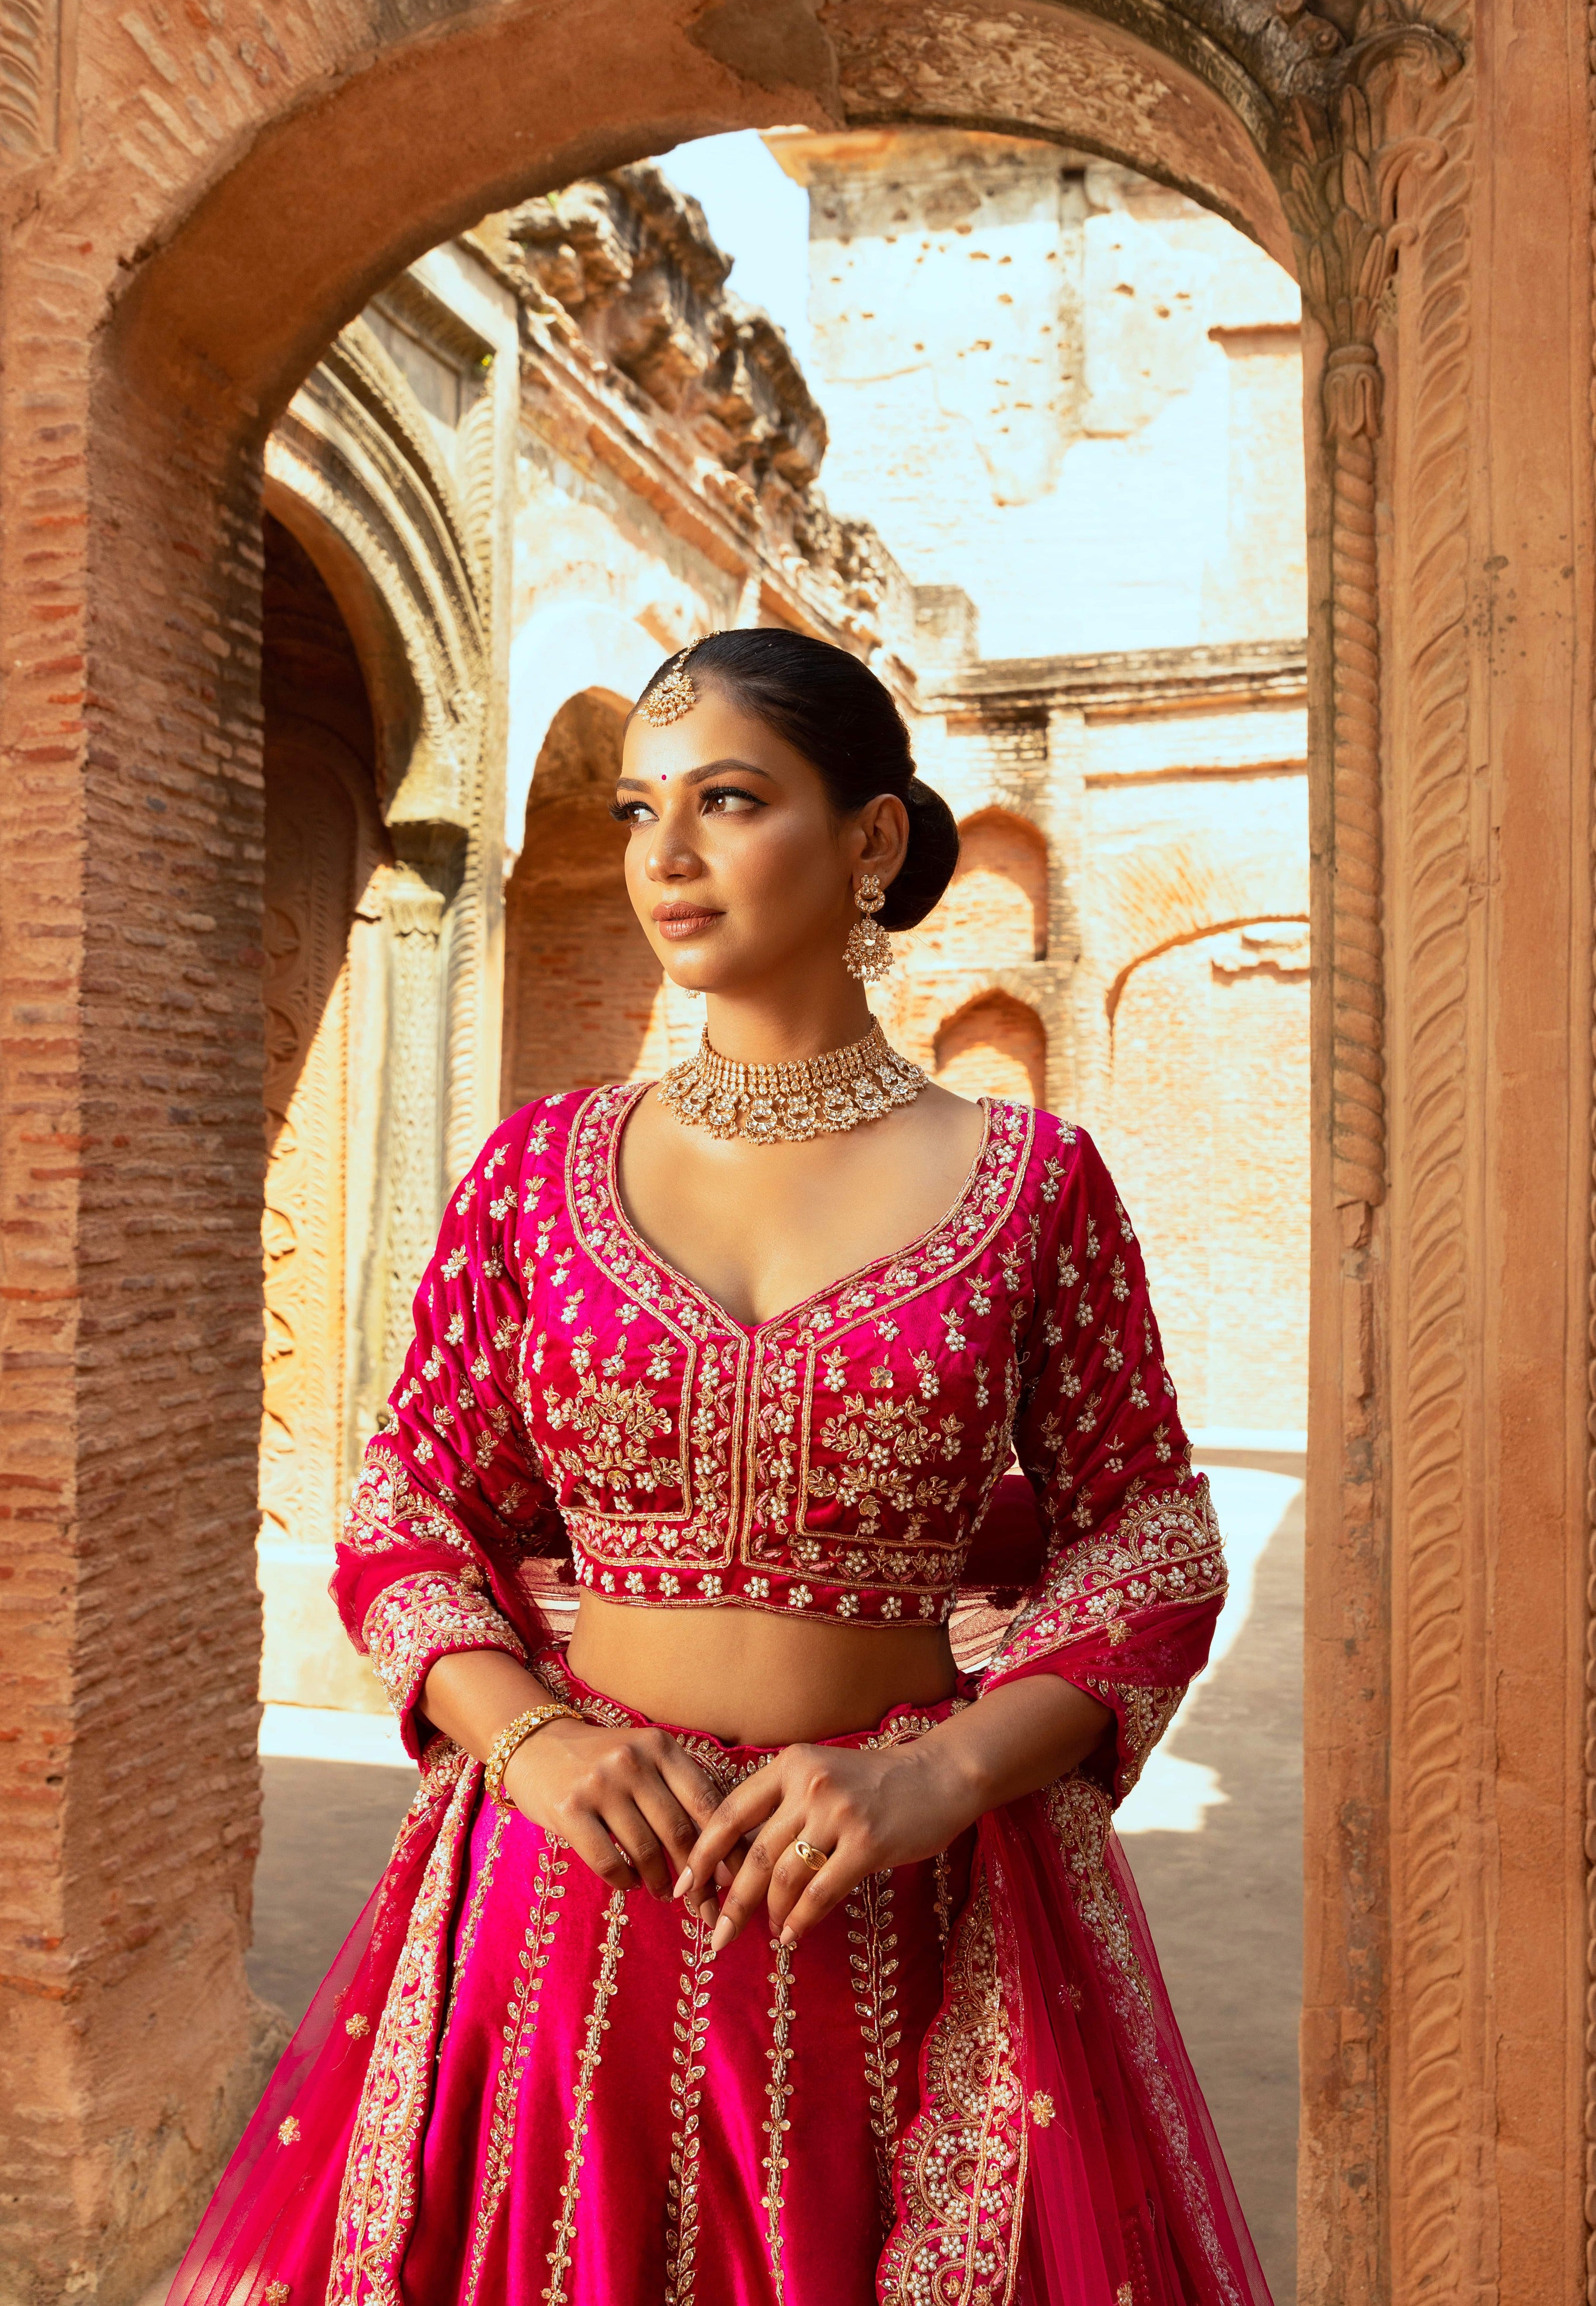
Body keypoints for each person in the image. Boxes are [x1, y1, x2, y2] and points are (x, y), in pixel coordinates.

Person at [172, 629, 1272, 2306]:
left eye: (731, 801)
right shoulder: (537, 1171)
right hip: (563, 1906)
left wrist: (944, 1776)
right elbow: (410, 1509)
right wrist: (527, 1740)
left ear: (873, 843)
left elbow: (1150, 1540)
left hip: (905, 1907)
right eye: (636, 810)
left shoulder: (1033, 1181)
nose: (663, 859)